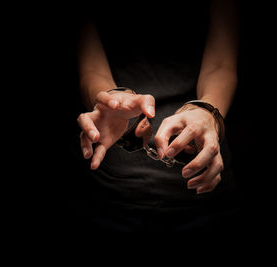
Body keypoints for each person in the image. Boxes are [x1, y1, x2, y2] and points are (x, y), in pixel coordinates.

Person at [74, 0, 241, 232]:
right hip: (108, 197)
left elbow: (222, 64)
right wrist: (111, 99)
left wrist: (208, 111)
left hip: (207, 198)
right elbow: (89, 67)